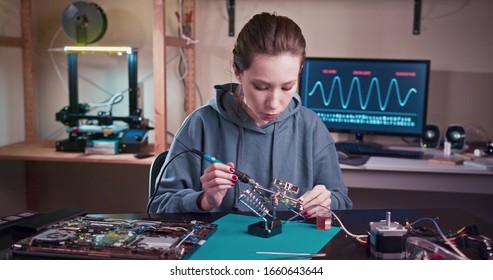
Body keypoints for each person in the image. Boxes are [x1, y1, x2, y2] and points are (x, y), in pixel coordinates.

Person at [149, 12, 352, 217]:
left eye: (287, 87)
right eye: (260, 87)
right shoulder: (200, 124)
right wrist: (203, 200)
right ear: (237, 71)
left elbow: (342, 202)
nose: (274, 103)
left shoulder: (311, 128)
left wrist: (326, 202)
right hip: (219, 247)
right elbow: (158, 207)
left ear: (299, 70)